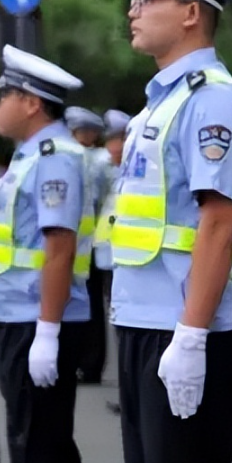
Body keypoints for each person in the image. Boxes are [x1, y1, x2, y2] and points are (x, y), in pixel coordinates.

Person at [110, 0, 232, 463]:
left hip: (184, 326)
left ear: (191, 13)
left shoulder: (210, 96)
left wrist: (192, 336)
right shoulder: (158, 105)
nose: (133, 8)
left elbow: (220, 220)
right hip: (144, 322)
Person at [0, 44, 92, 463]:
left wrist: (47, 331)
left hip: (34, 318)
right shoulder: (30, 156)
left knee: (38, 443)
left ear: (30, 103)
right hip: (17, 313)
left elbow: (59, 250)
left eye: (3, 95)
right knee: (35, 438)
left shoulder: (54, 159)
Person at [66, 106, 112, 385]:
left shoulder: (92, 161)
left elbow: (95, 203)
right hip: (83, 243)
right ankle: (84, 362)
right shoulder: (82, 158)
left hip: (89, 243)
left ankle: (90, 363)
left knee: (90, 307)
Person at [96, 108, 130, 416]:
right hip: (109, 260)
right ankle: (129, 391)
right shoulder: (105, 172)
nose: (111, 146)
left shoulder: (136, 171)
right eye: (109, 141)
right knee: (119, 327)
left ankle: (134, 392)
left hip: (133, 263)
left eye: (117, 139)